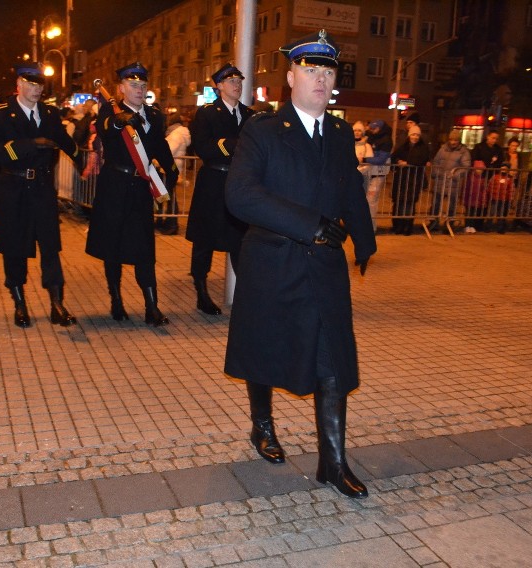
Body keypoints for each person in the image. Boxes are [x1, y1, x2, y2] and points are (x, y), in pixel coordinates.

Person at [224, 30, 376, 499]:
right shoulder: (263, 130)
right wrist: (309, 224)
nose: (321, 79)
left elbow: (348, 186)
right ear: (291, 76)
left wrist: (365, 240)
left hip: (325, 266)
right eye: (311, 70)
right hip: (273, 261)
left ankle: (333, 462)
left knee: (333, 359)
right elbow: (242, 194)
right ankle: (262, 425)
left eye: (328, 72)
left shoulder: (339, 131)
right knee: (265, 350)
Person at [0, 63, 82, 328]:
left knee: (51, 247)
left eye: (40, 84)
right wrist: (30, 145)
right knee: (14, 248)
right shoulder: (1, 115)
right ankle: (19, 303)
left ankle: (57, 304)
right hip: (13, 189)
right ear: (19, 84)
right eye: (31, 84)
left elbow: (65, 140)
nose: (36, 89)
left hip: (41, 189)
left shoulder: (50, 113)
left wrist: (83, 163)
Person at [85, 62, 178, 325]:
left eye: (143, 85)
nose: (139, 89)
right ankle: (116, 300)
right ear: (122, 88)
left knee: (144, 248)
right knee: (113, 246)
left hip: (140, 189)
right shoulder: (111, 110)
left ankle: (152, 307)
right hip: (115, 185)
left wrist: (171, 173)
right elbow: (105, 127)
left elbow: (160, 147)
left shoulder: (155, 115)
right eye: (133, 85)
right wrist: (119, 121)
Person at [185, 63, 253, 315]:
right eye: (231, 81)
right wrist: (236, 145)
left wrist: (228, 145)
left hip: (238, 183)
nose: (237, 85)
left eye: (239, 81)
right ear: (219, 86)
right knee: (204, 240)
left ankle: (247, 295)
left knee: (241, 240)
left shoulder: (249, 114)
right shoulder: (207, 114)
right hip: (213, 183)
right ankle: (201, 292)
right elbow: (204, 148)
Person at [390, 124, 430, 235]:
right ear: (409, 135)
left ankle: (408, 226)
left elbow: (423, 160)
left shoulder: (423, 147)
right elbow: (393, 157)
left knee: (410, 203)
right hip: (401, 179)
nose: (415, 137)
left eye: (417, 135)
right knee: (399, 202)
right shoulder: (403, 146)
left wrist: (407, 163)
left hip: (414, 179)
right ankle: (398, 225)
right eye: (413, 134)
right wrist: (397, 162)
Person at [428, 130, 471, 231]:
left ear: (459, 140)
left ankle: (449, 224)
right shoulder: (443, 149)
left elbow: (466, 167)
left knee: (452, 205)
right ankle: (433, 223)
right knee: (435, 203)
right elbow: (436, 161)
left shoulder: (463, 152)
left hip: (453, 182)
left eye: (455, 140)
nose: (453, 142)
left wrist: (455, 174)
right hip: (440, 180)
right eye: (451, 139)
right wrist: (436, 173)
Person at [160, 111, 191, 235]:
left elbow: (168, 151)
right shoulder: (178, 133)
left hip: (170, 168)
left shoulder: (176, 135)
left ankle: (172, 224)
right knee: (167, 196)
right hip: (171, 168)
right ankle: (166, 220)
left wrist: (158, 158)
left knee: (170, 197)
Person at [364, 119, 393, 231]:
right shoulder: (372, 137)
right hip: (370, 173)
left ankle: (371, 227)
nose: (373, 131)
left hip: (378, 174)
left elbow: (381, 159)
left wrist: (365, 159)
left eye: (374, 129)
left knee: (371, 201)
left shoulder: (386, 140)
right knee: (367, 201)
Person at [462, 160, 489, 233]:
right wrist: (464, 199)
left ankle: (472, 226)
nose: (480, 171)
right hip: (470, 199)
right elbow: (466, 189)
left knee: (474, 213)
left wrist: (483, 200)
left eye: (481, 169)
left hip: (477, 200)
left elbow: (483, 190)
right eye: (478, 169)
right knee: (469, 213)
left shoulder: (483, 179)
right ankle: (467, 226)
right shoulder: (470, 178)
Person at [487, 165, 515, 233]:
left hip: (504, 200)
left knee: (501, 214)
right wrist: (489, 195)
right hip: (494, 198)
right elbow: (490, 186)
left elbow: (511, 189)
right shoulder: (494, 177)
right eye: (502, 168)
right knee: (491, 213)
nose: (503, 170)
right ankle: (488, 227)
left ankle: (500, 228)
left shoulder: (510, 179)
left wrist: (510, 198)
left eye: (505, 168)